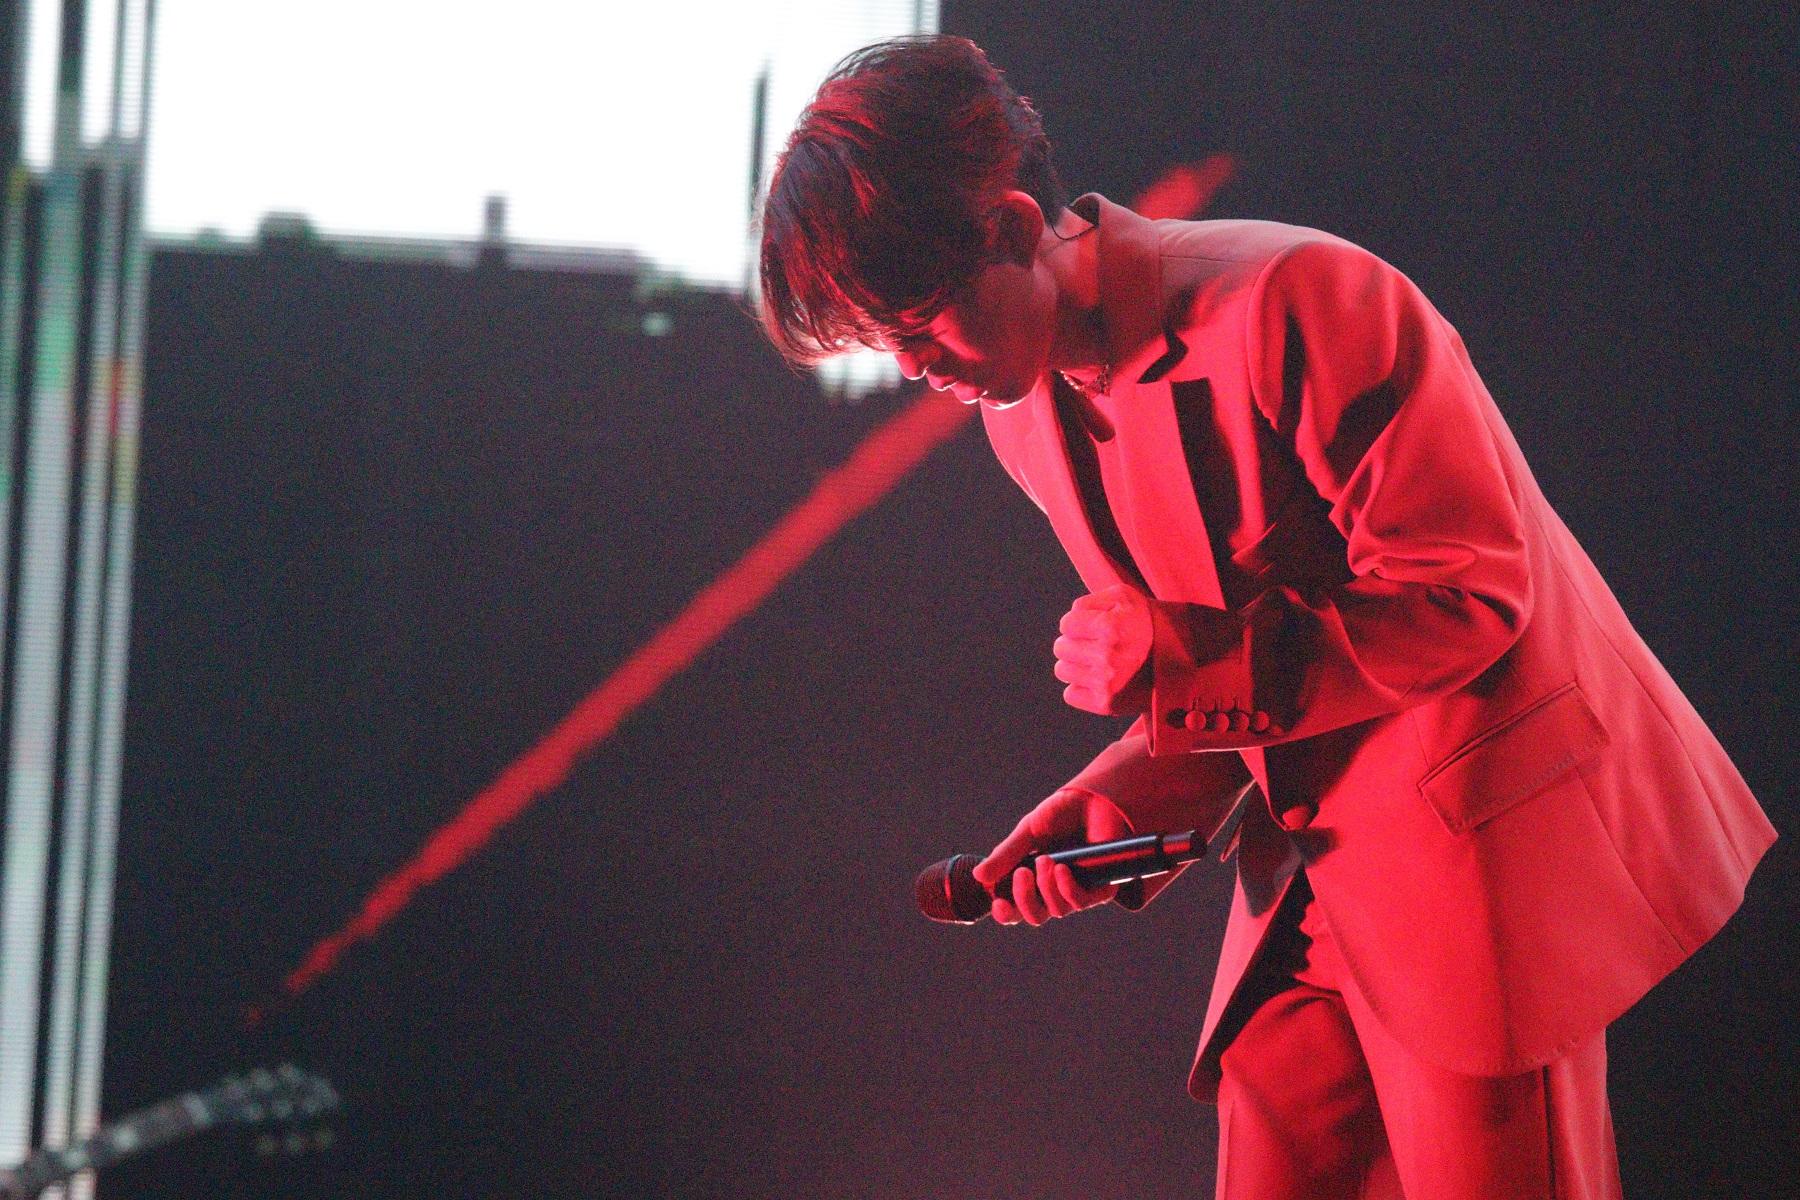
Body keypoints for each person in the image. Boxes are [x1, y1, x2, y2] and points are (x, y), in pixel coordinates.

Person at [757, 34, 1774, 1200]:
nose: (909, 367)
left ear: (1014, 227)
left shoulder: (1299, 296)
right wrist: (1117, 801)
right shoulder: (1020, 412)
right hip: (1306, 886)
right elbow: (1236, 664)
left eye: (923, 321)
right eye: (882, 342)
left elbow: (1468, 593)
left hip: (1474, 866)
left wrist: (1175, 661)